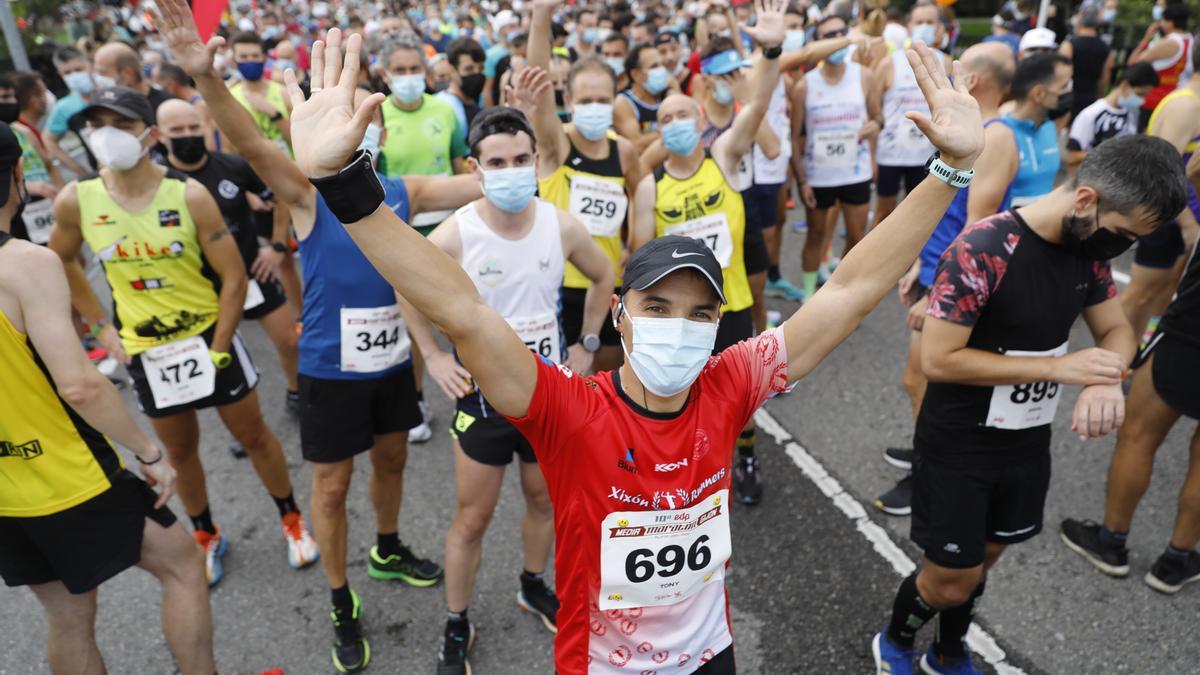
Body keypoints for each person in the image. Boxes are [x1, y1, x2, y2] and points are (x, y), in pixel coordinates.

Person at [269, 13, 984, 672]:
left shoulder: (731, 382)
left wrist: (949, 171)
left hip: (712, 655)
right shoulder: (568, 408)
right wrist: (344, 185)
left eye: (700, 313)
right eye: (658, 305)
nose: (680, 324)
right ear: (620, 314)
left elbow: (850, 290)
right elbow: (462, 308)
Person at [156, 4, 488, 667]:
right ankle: (340, 598)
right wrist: (206, 80)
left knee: (393, 461)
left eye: (360, 121)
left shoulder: (403, 188)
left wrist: (523, 136)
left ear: (379, 130)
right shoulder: (306, 194)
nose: (352, 133)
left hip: (394, 362)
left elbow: (495, 182)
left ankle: (387, 546)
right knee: (331, 489)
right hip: (331, 370)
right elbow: (251, 145)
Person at [872, 135, 1188, 675]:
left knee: (986, 558)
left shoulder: (1084, 248)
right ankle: (895, 640)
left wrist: (1106, 379)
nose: (1122, 251)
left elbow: (1116, 330)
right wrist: (1056, 368)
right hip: (958, 443)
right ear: (1086, 200)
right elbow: (940, 359)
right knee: (950, 576)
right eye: (1124, 236)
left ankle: (947, 650)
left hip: (1025, 443)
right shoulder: (986, 248)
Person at [48, 86, 318, 587]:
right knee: (181, 453)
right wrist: (102, 327)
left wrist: (219, 344)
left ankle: (291, 518)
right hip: (148, 352)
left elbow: (234, 277)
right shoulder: (76, 199)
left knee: (254, 436)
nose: (107, 135)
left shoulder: (189, 194)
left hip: (207, 339)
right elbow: (59, 259)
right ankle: (207, 534)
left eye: (121, 125)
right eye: (97, 124)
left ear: (148, 134)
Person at [0, 123, 216, 675]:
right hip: (67, 473)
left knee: (68, 618)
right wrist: (147, 452)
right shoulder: (24, 262)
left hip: (7, 492)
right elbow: (80, 384)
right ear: (18, 176)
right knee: (183, 565)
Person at [405, 106, 614, 675]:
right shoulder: (455, 234)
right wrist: (434, 357)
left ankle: (532, 583)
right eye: (497, 162)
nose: (512, 170)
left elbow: (603, 274)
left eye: (521, 159)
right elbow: (407, 289)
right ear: (475, 168)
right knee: (472, 520)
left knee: (543, 498)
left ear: (537, 161)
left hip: (549, 395)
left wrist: (587, 344)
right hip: (483, 401)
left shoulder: (559, 223)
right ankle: (456, 621)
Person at [632, 16, 786, 507]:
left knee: (739, 395)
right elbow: (636, 265)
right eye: (666, 120)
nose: (677, 124)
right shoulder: (648, 187)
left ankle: (744, 453)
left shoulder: (724, 154)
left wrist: (773, 52)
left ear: (702, 119)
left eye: (684, 115)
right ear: (658, 132)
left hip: (729, 302)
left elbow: (758, 104)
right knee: (678, 392)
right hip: (677, 315)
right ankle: (680, 464)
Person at [874, 41, 1016, 516]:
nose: (948, 76)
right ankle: (926, 454)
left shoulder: (994, 137)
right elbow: (946, 206)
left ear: (972, 82)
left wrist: (937, 290)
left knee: (926, 381)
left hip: (951, 281)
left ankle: (929, 475)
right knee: (918, 382)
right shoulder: (970, 132)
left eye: (960, 68)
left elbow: (977, 226)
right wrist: (918, 259)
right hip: (935, 265)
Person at [1060, 233, 1200, 595]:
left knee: (1138, 437)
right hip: (1188, 331)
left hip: (1189, 333)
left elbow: (1195, 177)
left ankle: (1111, 541)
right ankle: (1176, 559)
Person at [157, 99, 301, 416]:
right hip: (199, 286)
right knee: (219, 356)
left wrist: (277, 246)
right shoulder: (158, 181)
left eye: (194, 127)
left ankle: (296, 393)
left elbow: (281, 194)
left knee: (290, 342)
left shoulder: (232, 167)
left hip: (253, 272)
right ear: (160, 135)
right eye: (177, 130)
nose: (187, 135)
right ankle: (239, 418)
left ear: (207, 128)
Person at [520, 0, 640, 374]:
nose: (594, 107)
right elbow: (538, 85)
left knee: (607, 373)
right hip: (557, 285)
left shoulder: (624, 151)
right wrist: (541, 16)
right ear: (568, 101)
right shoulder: (557, 145)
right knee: (559, 381)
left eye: (602, 100)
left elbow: (639, 194)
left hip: (607, 285)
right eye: (585, 100)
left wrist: (633, 241)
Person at [795, 14, 882, 302]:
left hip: (854, 172)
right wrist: (802, 180)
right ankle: (809, 296)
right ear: (818, 44)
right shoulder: (805, 85)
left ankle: (837, 291)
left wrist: (875, 127)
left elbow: (878, 117)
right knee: (816, 235)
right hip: (819, 174)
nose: (835, 41)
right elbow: (796, 137)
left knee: (857, 237)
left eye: (840, 33)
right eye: (827, 36)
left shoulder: (864, 76)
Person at [1120, 48, 1200, 342]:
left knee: (1163, 293)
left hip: (1183, 217)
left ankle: (1134, 356)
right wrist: (1189, 225)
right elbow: (1163, 170)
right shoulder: (1186, 107)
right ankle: (1110, 366)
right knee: (1140, 294)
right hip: (1169, 215)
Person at [375, 31, 469, 232]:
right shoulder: (377, 116)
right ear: (385, 74)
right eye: (399, 70)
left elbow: (458, 166)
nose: (408, 75)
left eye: (414, 68)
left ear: (425, 70)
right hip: (401, 227)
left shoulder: (445, 110)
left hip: (447, 223)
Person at [871, 1, 945, 231]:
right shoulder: (889, 63)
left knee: (921, 215)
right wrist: (872, 156)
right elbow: (874, 111)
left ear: (939, 27)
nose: (924, 26)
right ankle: (876, 261)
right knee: (885, 211)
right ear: (908, 26)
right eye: (919, 22)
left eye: (930, 22)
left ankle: (915, 264)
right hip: (891, 154)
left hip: (927, 154)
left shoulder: (945, 63)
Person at [1067, 62, 1158, 171]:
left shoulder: (1131, 115)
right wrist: (1111, 155)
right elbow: (1072, 156)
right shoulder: (1092, 114)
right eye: (1139, 94)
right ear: (1125, 85)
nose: (1141, 100)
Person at [1129, 2, 1193, 133]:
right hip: (1173, 99)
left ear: (1170, 22)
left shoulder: (1169, 43)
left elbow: (1133, 63)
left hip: (1152, 101)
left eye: (1163, 20)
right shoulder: (1190, 40)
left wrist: (1146, 39)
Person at [228, 31, 294, 155]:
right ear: (234, 61)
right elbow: (230, 148)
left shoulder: (283, 93)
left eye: (255, 56)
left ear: (264, 58)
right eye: (243, 57)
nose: (250, 60)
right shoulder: (230, 98)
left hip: (291, 168)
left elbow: (299, 140)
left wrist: (274, 114)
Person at [45, 47, 98, 179]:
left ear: (90, 66)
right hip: (100, 170)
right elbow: (49, 139)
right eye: (67, 73)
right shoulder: (65, 107)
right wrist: (80, 170)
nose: (74, 76)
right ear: (60, 74)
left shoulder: (111, 90)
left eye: (78, 70)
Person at [614, 42, 673, 152]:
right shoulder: (624, 103)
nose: (662, 70)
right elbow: (636, 145)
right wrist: (671, 131)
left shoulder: (668, 96)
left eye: (662, 65)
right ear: (636, 74)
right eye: (654, 66)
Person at [1061, 5, 1113, 118]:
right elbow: (1105, 78)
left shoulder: (1069, 44)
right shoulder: (1105, 48)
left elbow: (1061, 72)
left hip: (1069, 96)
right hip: (1090, 96)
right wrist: (1100, 96)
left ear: (1080, 19)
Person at [93, 42, 174, 111]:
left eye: (103, 72)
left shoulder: (167, 105)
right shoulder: (108, 108)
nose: (99, 78)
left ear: (128, 72)